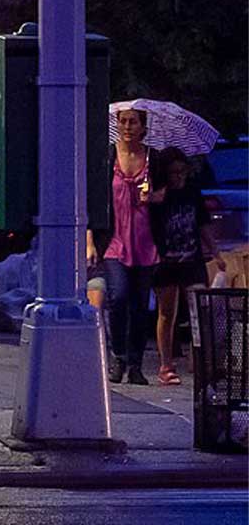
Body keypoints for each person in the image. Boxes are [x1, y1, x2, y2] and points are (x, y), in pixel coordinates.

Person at [148, 147, 215, 386]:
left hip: (192, 258)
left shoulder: (192, 192)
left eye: (182, 172)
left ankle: (200, 360)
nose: (178, 177)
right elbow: (149, 227)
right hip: (166, 261)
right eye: (173, 172)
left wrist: (215, 252)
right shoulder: (159, 197)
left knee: (200, 309)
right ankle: (166, 364)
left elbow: (203, 222)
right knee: (167, 313)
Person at [103, 107, 160, 386]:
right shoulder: (109, 156)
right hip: (115, 242)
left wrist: (156, 196)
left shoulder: (153, 159)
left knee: (140, 305)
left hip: (146, 242)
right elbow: (96, 199)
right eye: (123, 121)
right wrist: (91, 239)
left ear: (142, 126)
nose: (127, 126)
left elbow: (172, 190)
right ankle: (118, 356)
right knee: (119, 296)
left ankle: (135, 364)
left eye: (133, 122)